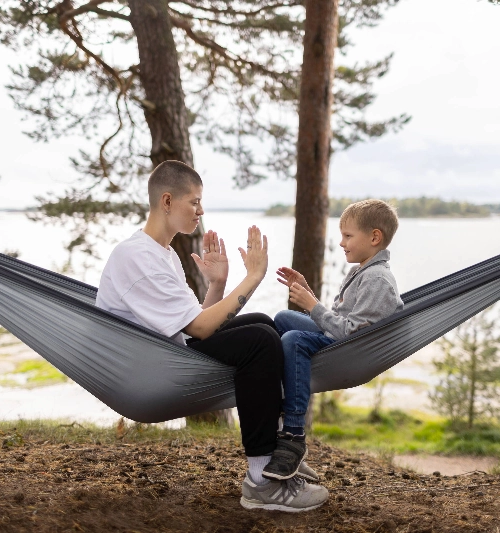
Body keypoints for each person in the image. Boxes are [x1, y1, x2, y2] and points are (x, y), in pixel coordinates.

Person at [95, 160, 328, 512]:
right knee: (260, 342)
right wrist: (252, 278)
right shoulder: (135, 256)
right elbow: (202, 329)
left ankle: (281, 453)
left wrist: (217, 284)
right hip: (149, 369)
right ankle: (262, 480)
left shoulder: (163, 254)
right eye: (195, 202)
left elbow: (197, 321)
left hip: (170, 352)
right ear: (168, 201)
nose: (200, 212)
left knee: (265, 322)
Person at [263, 199, 405, 480]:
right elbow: (341, 317)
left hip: (350, 351)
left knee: (293, 340)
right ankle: (280, 402)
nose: (341, 243)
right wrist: (309, 294)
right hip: (339, 339)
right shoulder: (361, 271)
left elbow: (351, 333)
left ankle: (292, 433)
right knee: (282, 318)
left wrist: (312, 306)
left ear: (375, 237)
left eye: (348, 236)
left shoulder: (377, 280)